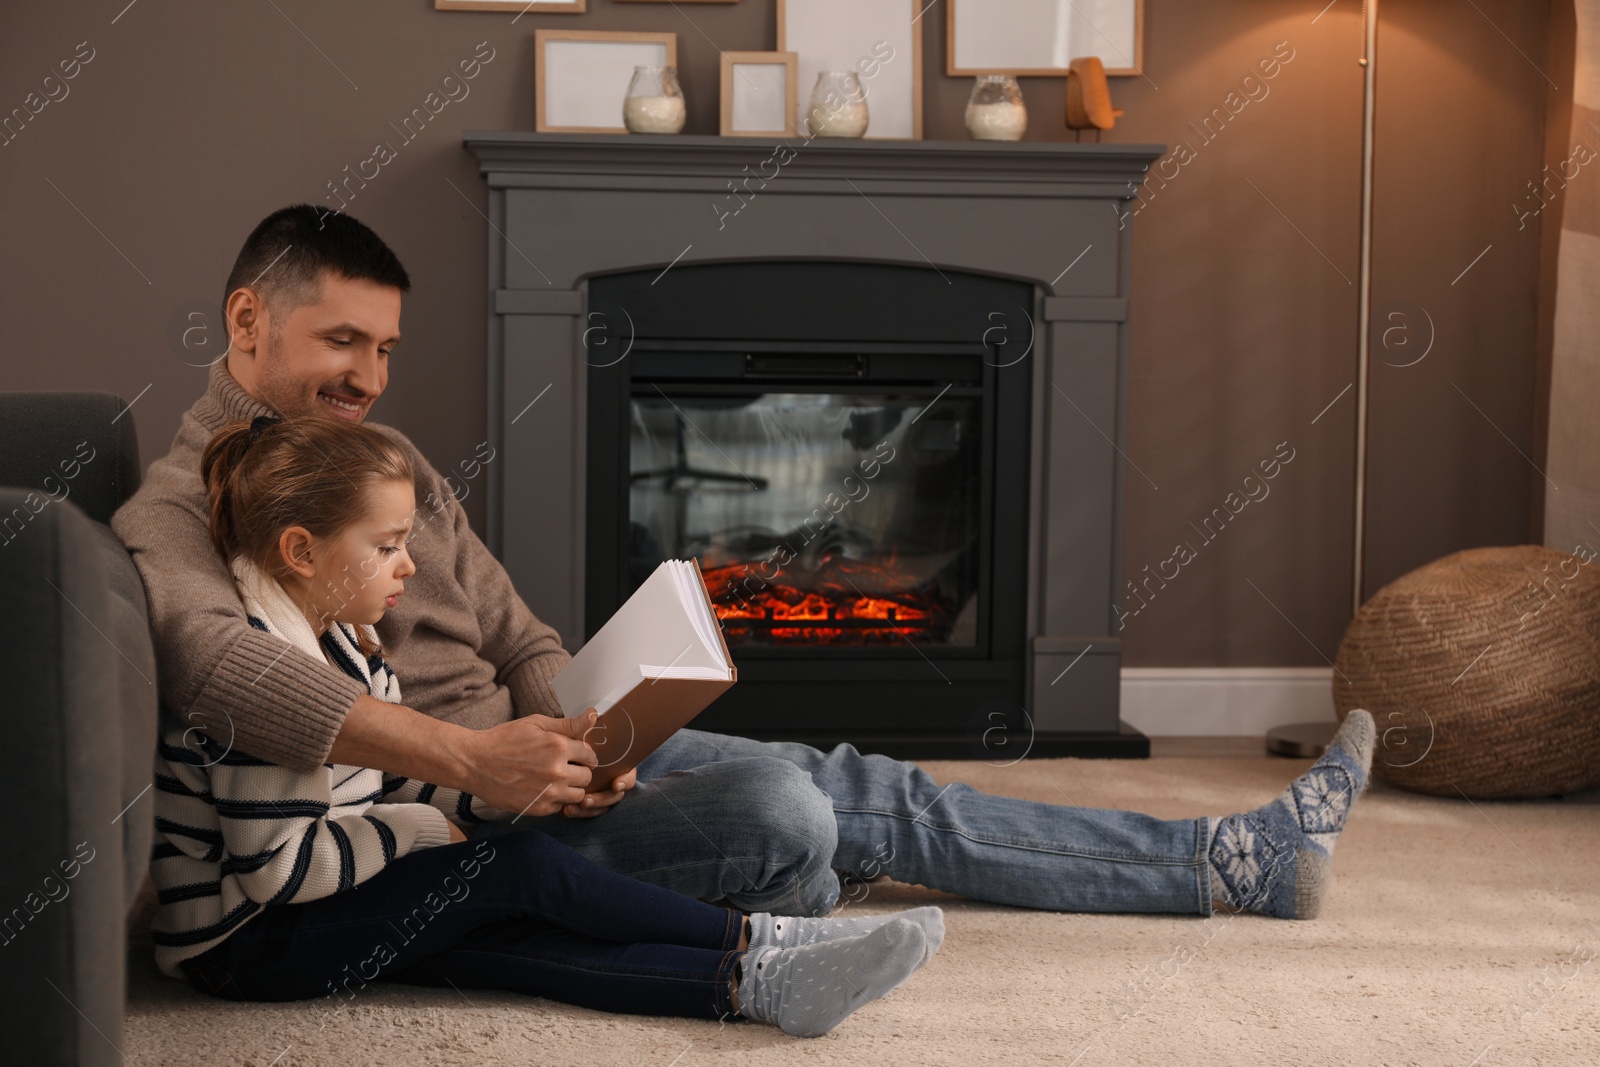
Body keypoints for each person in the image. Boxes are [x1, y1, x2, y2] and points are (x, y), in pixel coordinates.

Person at [115, 204, 1376, 932]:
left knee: (863, 783)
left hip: (539, 758)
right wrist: (474, 758)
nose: (370, 376)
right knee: (800, 812)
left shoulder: (378, 457)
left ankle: (1225, 858)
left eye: (385, 345)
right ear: (246, 322)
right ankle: (801, 878)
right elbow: (212, 664)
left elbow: (511, 624)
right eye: (343, 339)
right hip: (446, 815)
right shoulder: (175, 503)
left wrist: (583, 724)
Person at [152, 412, 944, 1037]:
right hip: (248, 943)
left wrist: (501, 795)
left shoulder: (346, 639)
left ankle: (759, 987)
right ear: (300, 550)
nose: (410, 565)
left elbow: (388, 780)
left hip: (316, 899)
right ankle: (760, 940)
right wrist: (433, 832)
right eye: (388, 545)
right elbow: (278, 872)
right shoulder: (271, 673)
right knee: (518, 870)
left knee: (516, 938)